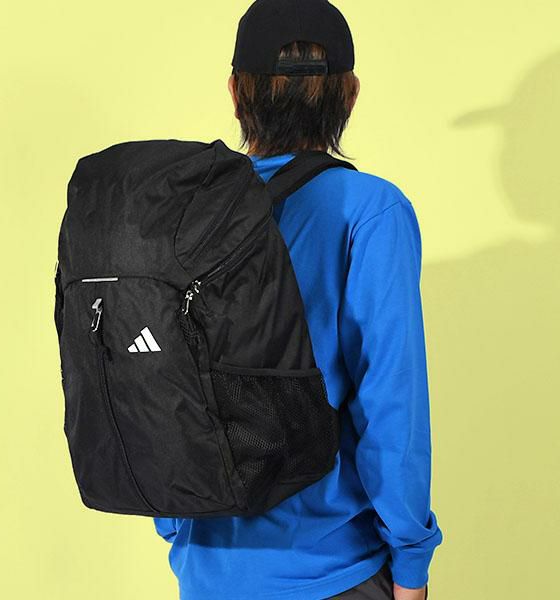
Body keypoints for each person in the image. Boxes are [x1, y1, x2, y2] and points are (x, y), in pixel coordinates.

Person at [154, 1, 443, 598]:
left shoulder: (190, 211)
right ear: (350, 94)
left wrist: (180, 524)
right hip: (333, 571)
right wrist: (411, 565)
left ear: (236, 92)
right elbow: (393, 404)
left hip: (207, 572)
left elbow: (159, 374)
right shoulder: (371, 210)